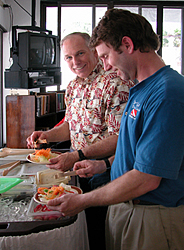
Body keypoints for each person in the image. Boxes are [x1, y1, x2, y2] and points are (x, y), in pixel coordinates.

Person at [47, 9, 184, 250]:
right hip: (126, 206)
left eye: (106, 56)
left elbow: (147, 178)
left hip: (151, 215)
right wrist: (103, 164)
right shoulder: (140, 87)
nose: (106, 67)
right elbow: (131, 146)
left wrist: (83, 200)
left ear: (128, 45)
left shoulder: (167, 94)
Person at [27, 32, 133, 250]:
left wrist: (78, 155)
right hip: (76, 167)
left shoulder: (114, 82)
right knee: (82, 227)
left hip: (103, 168)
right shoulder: (73, 86)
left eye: (80, 53)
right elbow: (71, 127)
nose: (75, 62)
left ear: (94, 51)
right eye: (68, 57)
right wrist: (46, 136)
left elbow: (120, 136)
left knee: (101, 231)